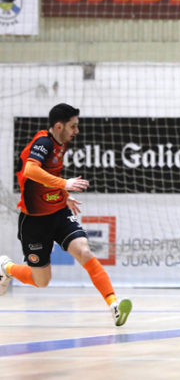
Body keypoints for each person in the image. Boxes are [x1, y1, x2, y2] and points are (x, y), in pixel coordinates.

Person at [0, 103, 132, 327]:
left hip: (59, 213)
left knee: (84, 251)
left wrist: (62, 193)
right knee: (42, 281)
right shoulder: (43, 143)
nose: (76, 131)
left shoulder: (61, 144)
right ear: (59, 126)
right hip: (34, 222)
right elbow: (31, 170)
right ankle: (6, 268)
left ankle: (114, 304)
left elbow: (48, 174)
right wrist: (65, 184)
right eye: (73, 126)